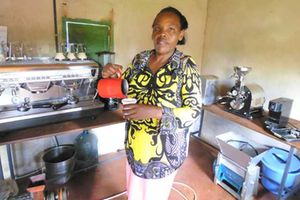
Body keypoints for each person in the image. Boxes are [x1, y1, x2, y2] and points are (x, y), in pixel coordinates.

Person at [101, 6, 202, 200]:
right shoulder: (140, 59)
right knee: (135, 194)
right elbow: (125, 89)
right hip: (134, 145)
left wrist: (156, 112)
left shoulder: (185, 65)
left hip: (163, 154)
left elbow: (194, 112)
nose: (162, 34)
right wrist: (111, 77)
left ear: (180, 35)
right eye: (157, 28)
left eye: (171, 29)